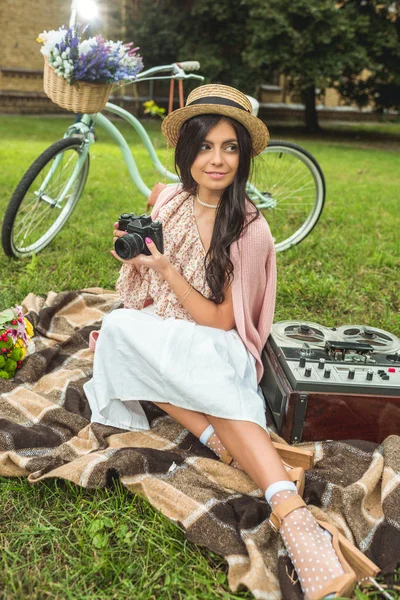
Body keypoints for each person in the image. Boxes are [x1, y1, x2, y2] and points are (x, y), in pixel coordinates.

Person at [84, 84, 379, 600]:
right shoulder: (171, 199)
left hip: (219, 342)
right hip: (171, 328)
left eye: (229, 147)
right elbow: (149, 262)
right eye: (203, 146)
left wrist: (168, 270)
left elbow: (221, 322)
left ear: (244, 156)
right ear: (185, 152)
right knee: (118, 332)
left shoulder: (249, 227)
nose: (215, 160)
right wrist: (135, 251)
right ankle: (246, 449)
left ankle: (296, 521)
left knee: (181, 364)